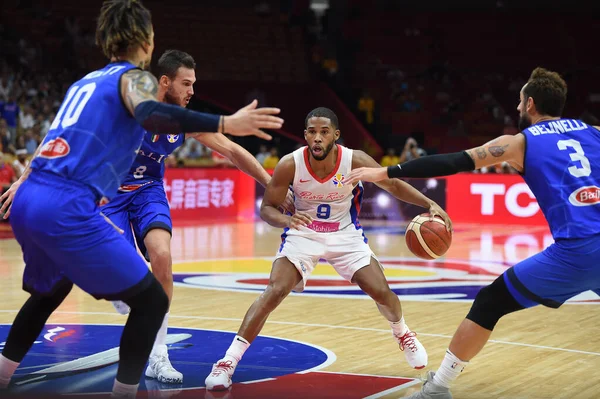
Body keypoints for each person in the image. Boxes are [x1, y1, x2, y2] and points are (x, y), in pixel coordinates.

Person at [0, 0, 282, 397]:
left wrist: (24, 179)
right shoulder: (137, 81)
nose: (190, 91)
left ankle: (4, 375)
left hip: (42, 198)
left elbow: (56, 138)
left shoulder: (85, 83)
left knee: (55, 292)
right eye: (186, 84)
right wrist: (224, 121)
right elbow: (150, 113)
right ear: (147, 41)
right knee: (148, 301)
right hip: (82, 201)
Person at [345, 67, 600, 399]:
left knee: (490, 303)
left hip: (578, 250)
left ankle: (437, 388)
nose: (518, 108)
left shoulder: (520, 142)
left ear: (532, 103)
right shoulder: (593, 131)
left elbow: (454, 162)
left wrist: (387, 170)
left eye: (520, 102)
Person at [204, 107, 452, 391]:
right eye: (312, 131)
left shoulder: (354, 159)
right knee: (275, 290)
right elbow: (267, 208)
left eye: (324, 132)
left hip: (345, 235)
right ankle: (227, 362)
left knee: (382, 292)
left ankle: (402, 332)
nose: (317, 138)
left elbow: (393, 184)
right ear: (305, 135)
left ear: (336, 135)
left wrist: (428, 203)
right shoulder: (290, 163)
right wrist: (287, 219)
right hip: (303, 233)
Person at [102, 49, 293, 384]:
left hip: (148, 190)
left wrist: (270, 184)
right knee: (120, 271)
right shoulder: (131, 104)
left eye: (193, 83)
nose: (192, 91)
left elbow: (232, 150)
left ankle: (158, 354)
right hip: (110, 190)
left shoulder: (184, 120)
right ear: (164, 82)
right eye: (185, 83)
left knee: (162, 255)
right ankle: (122, 289)